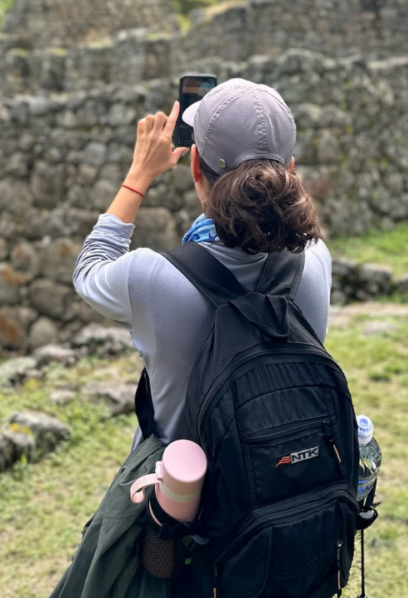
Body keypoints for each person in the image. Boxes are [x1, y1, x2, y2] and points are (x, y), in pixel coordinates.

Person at [73, 77, 332, 446]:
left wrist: (138, 175)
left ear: (195, 165)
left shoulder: (153, 278)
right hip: (290, 482)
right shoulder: (316, 258)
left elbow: (88, 269)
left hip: (183, 497)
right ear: (289, 169)